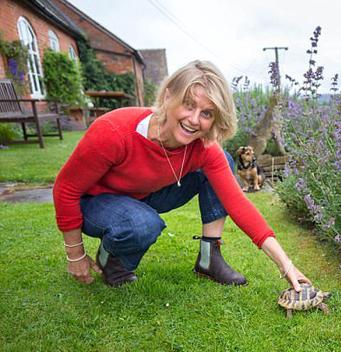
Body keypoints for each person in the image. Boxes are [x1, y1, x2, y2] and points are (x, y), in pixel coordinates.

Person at [53, 60, 310, 290]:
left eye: (207, 113)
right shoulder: (114, 131)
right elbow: (66, 189)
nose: (194, 120)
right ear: (167, 97)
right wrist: (75, 254)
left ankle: (210, 258)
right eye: (188, 105)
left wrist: (286, 264)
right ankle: (112, 261)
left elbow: (238, 202)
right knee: (142, 224)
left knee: (224, 160)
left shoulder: (202, 146)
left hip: (146, 194)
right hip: (96, 203)